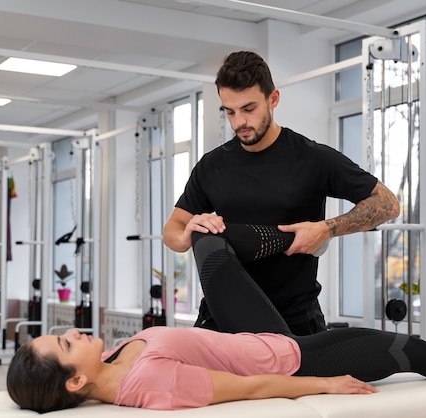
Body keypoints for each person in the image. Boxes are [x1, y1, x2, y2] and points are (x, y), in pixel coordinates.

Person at [7, 228, 426, 413]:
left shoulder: (117, 361)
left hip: (246, 333)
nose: (73, 332)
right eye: (65, 341)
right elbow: (247, 386)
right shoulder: (151, 383)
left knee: (208, 238)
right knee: (411, 352)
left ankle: (307, 231)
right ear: (76, 379)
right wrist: (323, 383)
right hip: (288, 354)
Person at [163, 50, 400, 335]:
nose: (239, 122)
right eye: (230, 111)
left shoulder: (313, 158)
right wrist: (189, 230)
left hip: (294, 322)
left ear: (273, 99)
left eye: (249, 109)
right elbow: (172, 232)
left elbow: (387, 204)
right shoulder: (212, 166)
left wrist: (326, 229)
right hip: (223, 321)